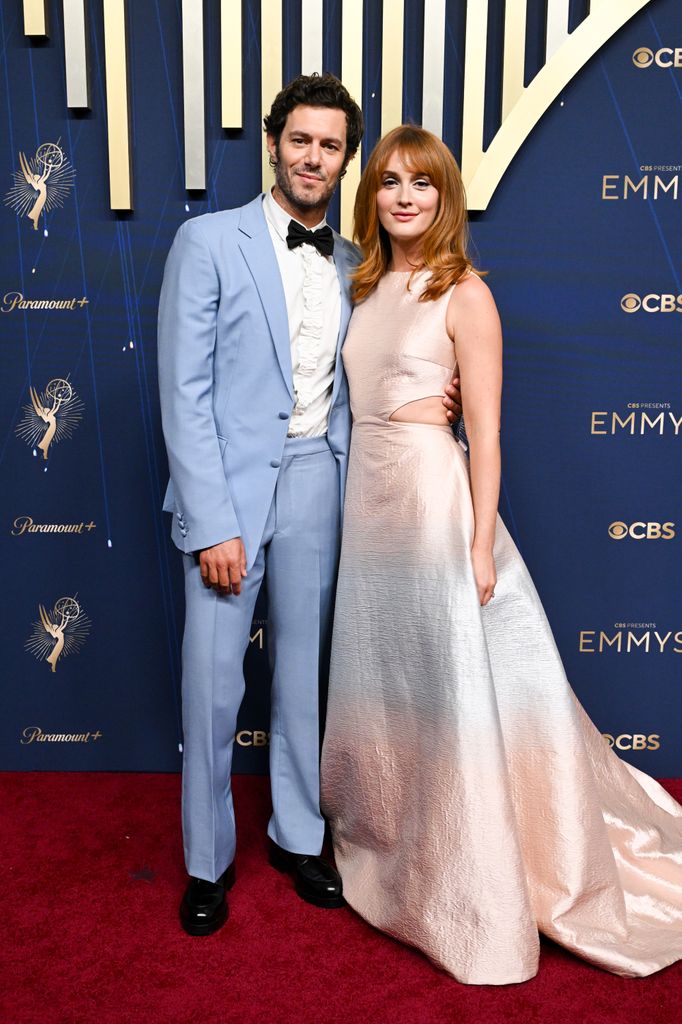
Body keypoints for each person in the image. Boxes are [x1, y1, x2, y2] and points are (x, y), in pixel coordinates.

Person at [320, 125, 682, 985]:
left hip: (433, 505)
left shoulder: (465, 294)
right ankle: (397, 842)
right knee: (395, 683)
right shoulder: (365, 289)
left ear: (446, 199)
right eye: (389, 182)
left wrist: (480, 543)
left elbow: (484, 435)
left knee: (453, 688)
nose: (404, 196)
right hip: (368, 513)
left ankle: (468, 877)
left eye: (423, 184)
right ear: (370, 198)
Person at [158, 75, 462, 936]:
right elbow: (182, 391)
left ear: (344, 159)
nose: (314, 158)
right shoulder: (208, 241)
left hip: (320, 482)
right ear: (273, 143)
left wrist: (434, 406)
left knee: (304, 678)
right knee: (213, 686)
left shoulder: (352, 263)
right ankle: (207, 861)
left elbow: (384, 365)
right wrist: (213, 519)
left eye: (330, 146)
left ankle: (298, 836)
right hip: (230, 492)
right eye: (301, 141)